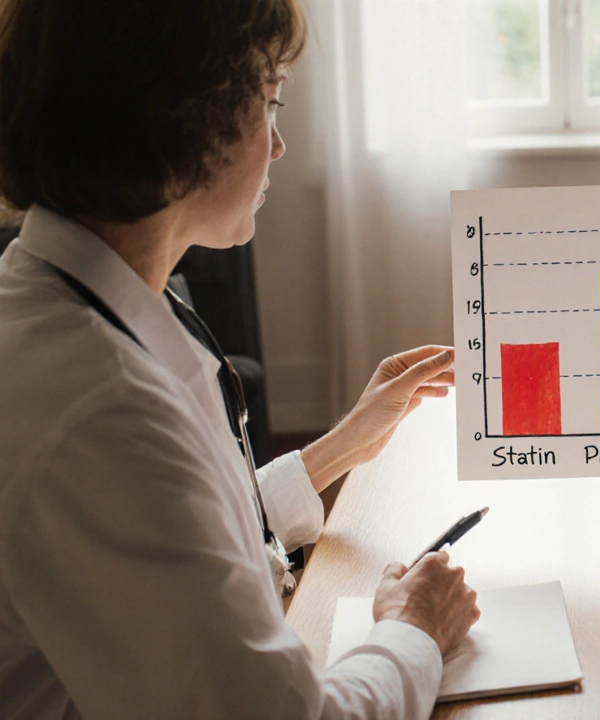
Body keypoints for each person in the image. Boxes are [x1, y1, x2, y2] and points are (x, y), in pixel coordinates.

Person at [0, 0, 479, 717]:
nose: (278, 146)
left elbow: (175, 529)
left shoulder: (66, 303)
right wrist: (415, 630)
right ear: (186, 117)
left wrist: (338, 449)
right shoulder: (102, 408)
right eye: (270, 102)